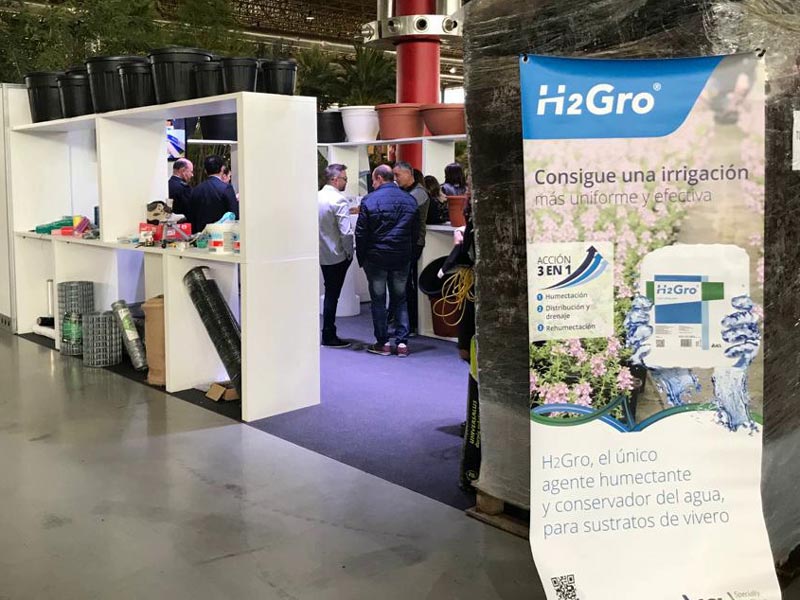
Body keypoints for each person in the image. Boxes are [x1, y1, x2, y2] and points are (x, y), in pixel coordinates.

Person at [355, 165, 419, 357]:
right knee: (400, 299)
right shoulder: (410, 200)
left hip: (376, 257)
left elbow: (361, 233)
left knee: (378, 300)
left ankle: (383, 343)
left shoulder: (369, 200)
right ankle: (402, 343)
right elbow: (415, 232)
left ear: (379, 178)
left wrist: (362, 257)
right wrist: (410, 253)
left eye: (373, 180)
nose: (373, 184)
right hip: (401, 256)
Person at [318, 163, 354, 349]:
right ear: (335, 179)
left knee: (329, 293)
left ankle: (328, 332)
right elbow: (346, 232)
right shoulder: (339, 200)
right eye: (345, 179)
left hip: (320, 253)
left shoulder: (315, 197)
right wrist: (350, 252)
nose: (346, 182)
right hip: (337, 255)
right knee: (332, 295)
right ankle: (328, 333)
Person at [392, 162, 430, 335]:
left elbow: (403, 211)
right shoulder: (406, 192)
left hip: (413, 243)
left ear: (409, 174)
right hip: (404, 242)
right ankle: (404, 322)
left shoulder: (419, 193)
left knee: (406, 284)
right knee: (402, 283)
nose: (396, 179)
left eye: (398, 175)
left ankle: (411, 323)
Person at [187, 155, 239, 233]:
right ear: (222, 169)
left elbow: (191, 216)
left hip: (201, 235)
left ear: (205, 171)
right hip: (221, 234)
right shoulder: (226, 188)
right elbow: (234, 214)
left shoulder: (196, 190)